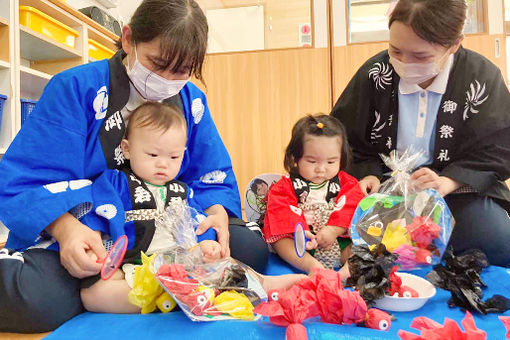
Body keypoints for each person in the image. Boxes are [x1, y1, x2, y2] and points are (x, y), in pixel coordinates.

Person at [0, 0, 268, 332]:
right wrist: (66, 229)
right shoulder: (76, 87)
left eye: (181, 72)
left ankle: (147, 285)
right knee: (36, 300)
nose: (167, 80)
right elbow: (29, 178)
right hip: (97, 234)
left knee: (250, 249)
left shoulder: (191, 101)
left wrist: (216, 211)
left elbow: (210, 174)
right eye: (157, 63)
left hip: (168, 231)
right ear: (128, 39)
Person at [331, 0, 510, 267]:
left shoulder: (480, 78)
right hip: (386, 191)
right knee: (359, 245)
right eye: (396, 50)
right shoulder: (376, 73)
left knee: (496, 242)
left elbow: (499, 147)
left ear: (454, 45)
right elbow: (342, 139)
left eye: (421, 57)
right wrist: (368, 173)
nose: (404, 63)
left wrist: (448, 181)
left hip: (454, 194)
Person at [80, 102, 304, 313]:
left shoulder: (182, 190)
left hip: (185, 263)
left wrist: (207, 245)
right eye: (152, 154)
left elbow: (198, 224)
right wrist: (94, 240)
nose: (163, 163)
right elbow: (98, 214)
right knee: (93, 295)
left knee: (223, 262)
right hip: (142, 266)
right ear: (127, 150)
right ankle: (175, 296)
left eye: (173, 156)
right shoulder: (115, 182)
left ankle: (261, 283)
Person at [262, 115, 364, 276]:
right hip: (302, 245)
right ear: (295, 158)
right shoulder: (284, 186)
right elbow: (280, 214)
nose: (321, 169)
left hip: (339, 241)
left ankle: (346, 272)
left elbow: (353, 206)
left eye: (331, 162)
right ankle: (312, 267)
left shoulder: (347, 183)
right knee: (278, 240)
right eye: (312, 161)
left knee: (366, 241)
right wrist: (301, 232)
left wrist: (333, 230)